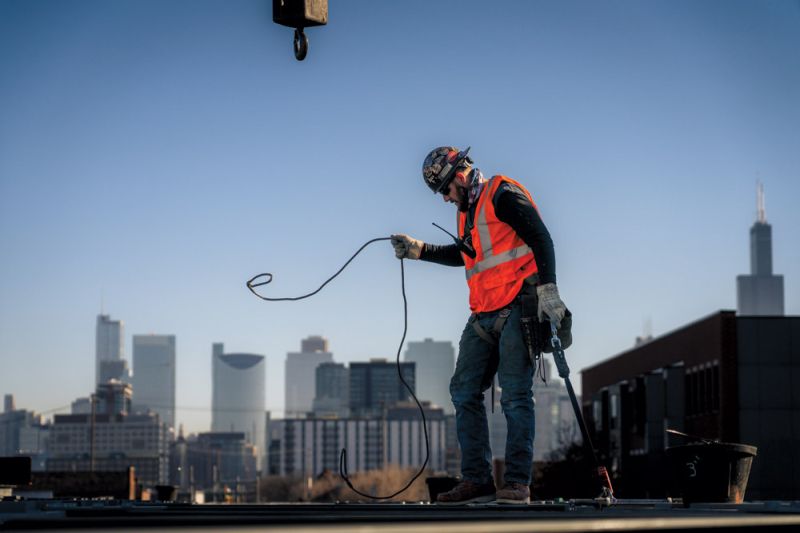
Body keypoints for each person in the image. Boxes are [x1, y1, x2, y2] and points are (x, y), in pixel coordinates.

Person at [391, 146, 567, 505]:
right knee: (463, 390)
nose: (443, 198)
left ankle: (517, 483)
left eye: (444, 190)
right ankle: (477, 480)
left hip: (520, 305)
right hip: (483, 314)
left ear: (458, 176)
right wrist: (418, 249)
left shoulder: (502, 194)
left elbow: (541, 238)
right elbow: (466, 254)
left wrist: (548, 289)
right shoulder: (466, 211)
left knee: (516, 396)